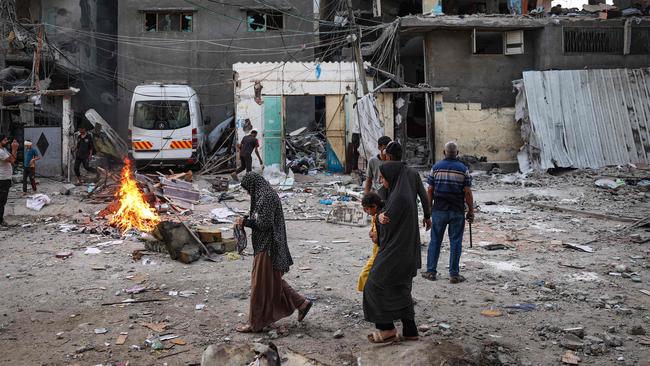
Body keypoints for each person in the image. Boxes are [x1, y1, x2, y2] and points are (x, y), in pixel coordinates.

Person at [234, 172, 312, 333]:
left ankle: (255, 323)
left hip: (269, 246)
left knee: (259, 286)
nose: (248, 193)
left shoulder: (267, 197)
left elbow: (264, 223)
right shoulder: (263, 195)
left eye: (248, 189)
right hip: (265, 245)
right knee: (271, 282)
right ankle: (302, 303)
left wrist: (246, 222)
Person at [363, 161, 421, 343]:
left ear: (392, 177)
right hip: (405, 250)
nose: (381, 180)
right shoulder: (400, 194)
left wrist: (379, 221)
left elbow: (388, 226)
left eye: (383, 177)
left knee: (373, 284)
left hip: (396, 251)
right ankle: (410, 331)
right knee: (400, 288)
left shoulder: (399, 198)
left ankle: (386, 328)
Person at [422, 141, 474, 284]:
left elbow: (430, 190)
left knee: (435, 241)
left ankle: (431, 271)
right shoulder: (463, 169)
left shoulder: (436, 168)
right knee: (455, 242)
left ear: (444, 153)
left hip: (439, 210)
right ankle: (454, 274)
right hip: (457, 210)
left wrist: (429, 209)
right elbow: (468, 193)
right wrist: (471, 210)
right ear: (457, 153)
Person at [381, 141, 432, 231]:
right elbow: (424, 196)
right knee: (409, 238)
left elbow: (382, 192)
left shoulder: (386, 170)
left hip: (391, 211)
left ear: (389, 156)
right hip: (410, 212)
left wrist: (380, 214)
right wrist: (427, 216)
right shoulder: (414, 173)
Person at [357, 192, 384, 292]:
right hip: (377, 251)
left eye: (367, 209)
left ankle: (370, 294)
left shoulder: (379, 217)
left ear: (374, 206)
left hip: (379, 252)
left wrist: (372, 234)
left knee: (364, 274)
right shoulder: (376, 216)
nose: (367, 212)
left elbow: (376, 238)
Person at [0, 135, 19, 227]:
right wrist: (14, 149)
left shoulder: (4, 150)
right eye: (4, 140)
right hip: (2, 180)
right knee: (1, 202)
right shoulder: (0, 152)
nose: (7, 141)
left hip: (5, 179)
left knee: (2, 201)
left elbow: (12, 159)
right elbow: (12, 160)